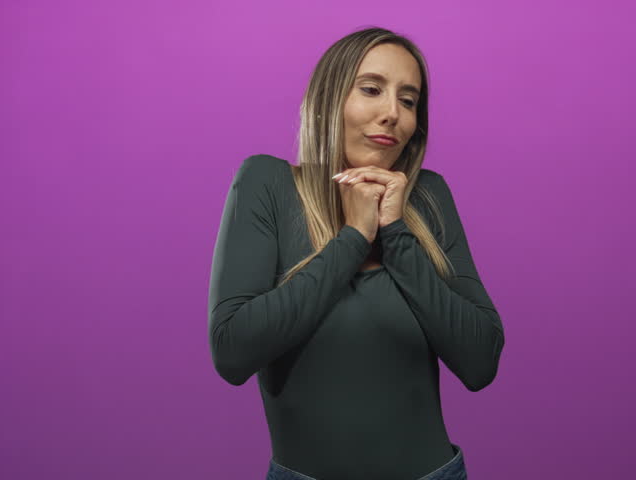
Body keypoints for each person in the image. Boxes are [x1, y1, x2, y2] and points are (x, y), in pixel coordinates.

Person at [207, 27, 505, 480]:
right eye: (371, 89)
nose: (392, 114)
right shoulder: (267, 184)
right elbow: (233, 351)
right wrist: (352, 237)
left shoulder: (428, 198)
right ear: (329, 98)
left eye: (408, 100)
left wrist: (395, 231)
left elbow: (480, 361)